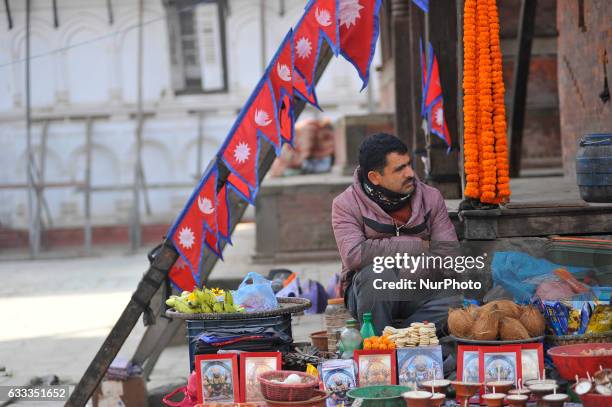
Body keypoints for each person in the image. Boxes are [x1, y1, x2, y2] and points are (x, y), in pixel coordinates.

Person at [331, 133, 462, 333]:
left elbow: (450, 256)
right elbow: (355, 254)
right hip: (370, 294)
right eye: (400, 169)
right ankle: (382, 347)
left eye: (409, 164)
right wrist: (418, 246)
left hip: (420, 286)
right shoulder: (346, 204)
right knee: (378, 275)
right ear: (375, 177)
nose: (410, 173)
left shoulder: (431, 197)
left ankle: (400, 335)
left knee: (459, 302)